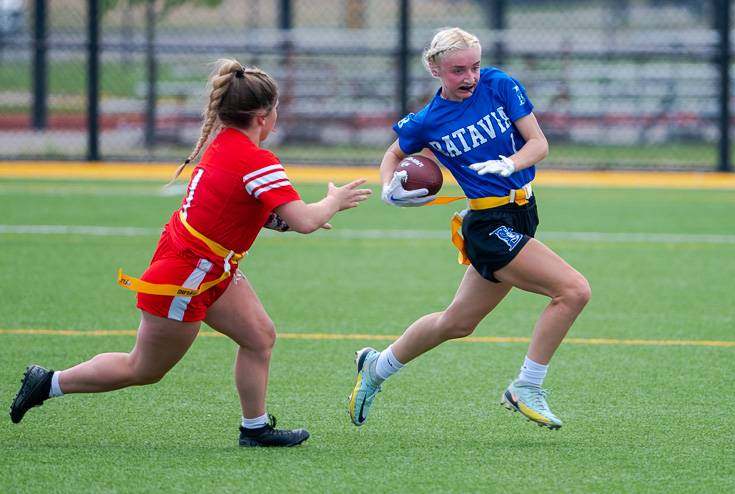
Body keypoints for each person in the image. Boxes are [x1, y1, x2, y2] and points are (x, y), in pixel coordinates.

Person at [9, 58, 371, 447]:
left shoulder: (226, 144)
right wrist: (333, 201)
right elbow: (303, 221)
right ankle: (49, 382)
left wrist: (285, 218)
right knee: (143, 368)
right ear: (264, 116)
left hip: (206, 264)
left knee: (259, 336)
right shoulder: (256, 159)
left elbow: (243, 207)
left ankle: (255, 428)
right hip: (188, 273)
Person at [348, 28, 590, 430]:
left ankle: (376, 367)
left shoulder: (499, 84)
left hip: (523, 211)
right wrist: (390, 188)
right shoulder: (427, 120)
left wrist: (511, 163)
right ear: (435, 69)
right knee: (573, 291)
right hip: (487, 224)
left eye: (474, 66)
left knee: (457, 323)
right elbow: (393, 154)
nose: (470, 77)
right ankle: (526, 387)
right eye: (458, 69)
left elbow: (538, 144)